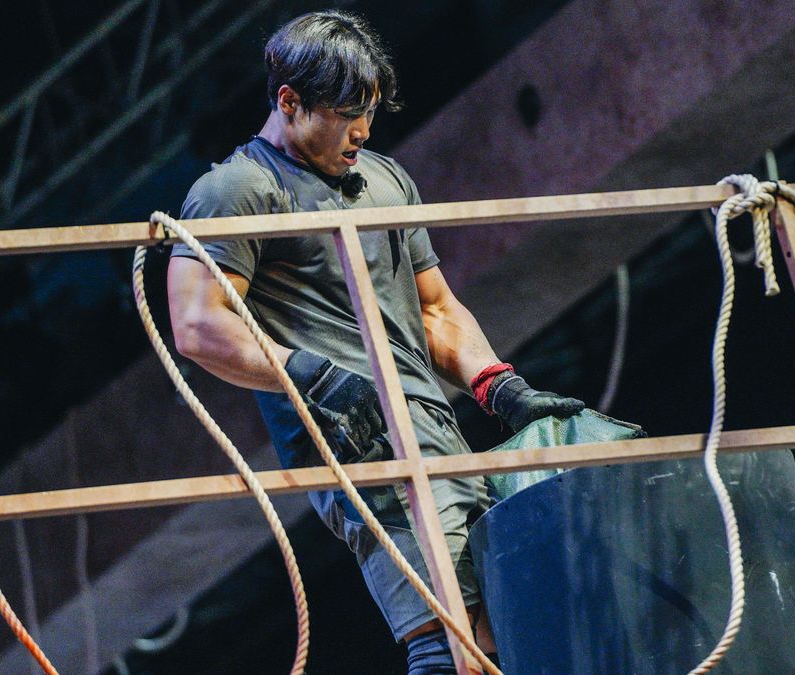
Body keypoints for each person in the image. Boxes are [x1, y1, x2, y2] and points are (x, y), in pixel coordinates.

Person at [166, 10, 583, 673]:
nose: (363, 128)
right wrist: (310, 374)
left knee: (510, 625)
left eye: (369, 109)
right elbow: (196, 326)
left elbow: (437, 307)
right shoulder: (236, 190)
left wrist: (500, 385)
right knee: (452, 642)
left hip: (437, 431)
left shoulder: (383, 178)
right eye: (345, 112)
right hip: (358, 448)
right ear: (289, 102)